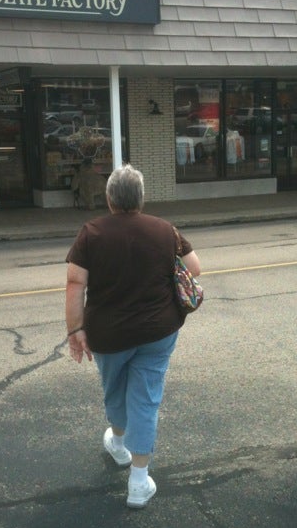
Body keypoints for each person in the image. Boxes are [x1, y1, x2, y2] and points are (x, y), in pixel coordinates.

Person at [65, 164, 201, 507]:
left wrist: (75, 330)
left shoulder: (91, 233)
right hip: (158, 330)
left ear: (110, 199)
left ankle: (118, 443)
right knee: (145, 398)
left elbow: (75, 283)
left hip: (108, 333)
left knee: (115, 387)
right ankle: (139, 482)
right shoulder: (165, 230)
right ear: (140, 198)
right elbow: (194, 268)